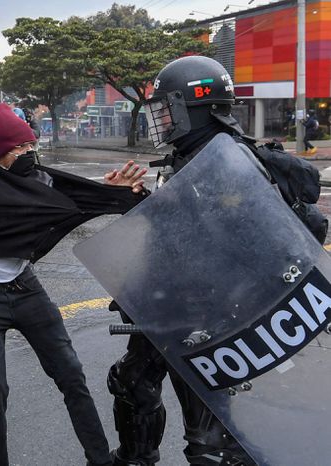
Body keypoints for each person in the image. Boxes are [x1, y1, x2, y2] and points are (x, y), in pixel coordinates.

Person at [0, 102, 147, 466]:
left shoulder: (43, 180)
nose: (29, 153)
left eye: (31, 146)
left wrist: (116, 193)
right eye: (19, 149)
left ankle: (99, 459)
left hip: (26, 289)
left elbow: (82, 198)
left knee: (71, 374)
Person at [108, 55, 262, 466]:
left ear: (190, 108)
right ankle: (135, 457)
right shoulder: (187, 157)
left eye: (166, 109)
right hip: (166, 300)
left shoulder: (232, 162)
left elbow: (242, 240)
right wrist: (135, 202)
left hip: (209, 314)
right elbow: (174, 228)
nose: (161, 119)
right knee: (132, 383)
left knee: (210, 435)